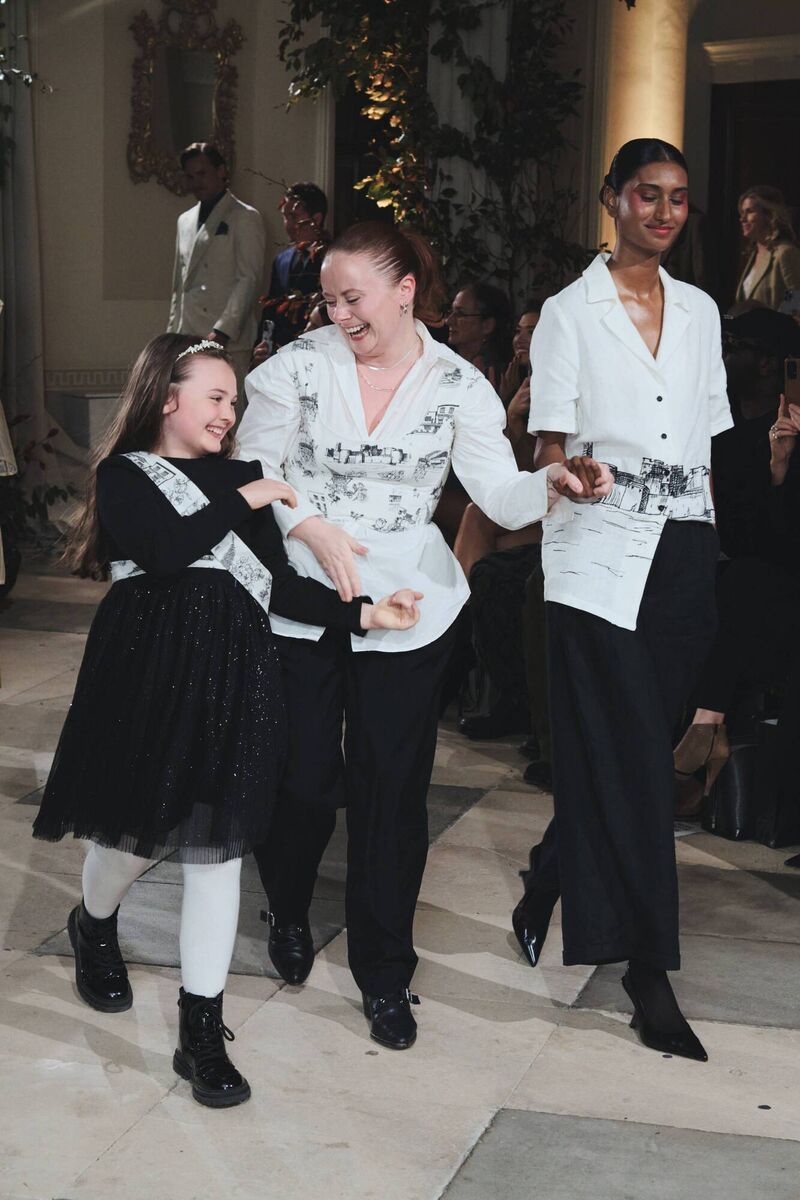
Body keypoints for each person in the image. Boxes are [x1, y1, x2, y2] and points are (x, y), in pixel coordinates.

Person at [237, 221, 612, 1051]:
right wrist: (315, 531)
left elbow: (502, 499)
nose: (338, 313)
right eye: (329, 299)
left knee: (390, 791)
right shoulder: (296, 369)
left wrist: (556, 480)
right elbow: (255, 476)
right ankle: (290, 907)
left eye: (353, 297)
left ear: (405, 291)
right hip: (304, 596)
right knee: (301, 780)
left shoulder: (457, 385)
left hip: (411, 608)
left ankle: (384, 971)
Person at [31, 334, 422, 1107]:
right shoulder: (125, 476)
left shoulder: (242, 475)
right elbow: (168, 552)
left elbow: (276, 588)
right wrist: (252, 496)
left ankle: (200, 1033)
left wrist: (365, 613)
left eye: (235, 401)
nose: (230, 411)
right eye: (216, 395)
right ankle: (94, 922)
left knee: (217, 851)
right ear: (165, 397)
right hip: (147, 675)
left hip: (236, 676)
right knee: (130, 838)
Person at [515, 138, 733, 1063]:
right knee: (639, 770)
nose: (666, 213)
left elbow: (707, 444)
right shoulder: (570, 314)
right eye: (649, 195)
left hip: (684, 549)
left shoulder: (701, 310)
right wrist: (571, 470)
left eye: (680, 199)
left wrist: (712, 552)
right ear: (612, 201)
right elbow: (545, 450)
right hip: (600, 551)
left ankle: (548, 872)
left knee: (641, 747)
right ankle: (648, 970)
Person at [673, 308, 800, 813]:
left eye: (735, 346)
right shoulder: (719, 423)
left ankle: (706, 727)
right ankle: (687, 736)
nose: (724, 356)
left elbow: (777, 547)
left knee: (745, 581)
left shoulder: (786, 429)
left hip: (777, 582)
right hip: (729, 571)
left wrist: (779, 469)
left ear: (768, 364)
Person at [167, 143, 265, 380]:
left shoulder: (246, 217)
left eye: (202, 173)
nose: (196, 182)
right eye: (190, 176)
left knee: (228, 410)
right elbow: (179, 285)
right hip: (187, 333)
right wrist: (172, 335)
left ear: (221, 171)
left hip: (226, 338)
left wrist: (222, 331)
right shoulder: (185, 220)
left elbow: (248, 279)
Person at [252, 182, 329, 366]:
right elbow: (271, 310)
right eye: (285, 217)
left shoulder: (332, 257)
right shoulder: (282, 260)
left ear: (316, 219)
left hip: (318, 355)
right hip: (282, 356)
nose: (287, 225)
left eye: (294, 217)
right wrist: (263, 345)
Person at [735, 186, 800, 311]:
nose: (742, 219)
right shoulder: (754, 254)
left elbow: (796, 298)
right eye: (742, 212)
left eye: (749, 211)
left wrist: (776, 323)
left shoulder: (785, 253)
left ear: (769, 215)